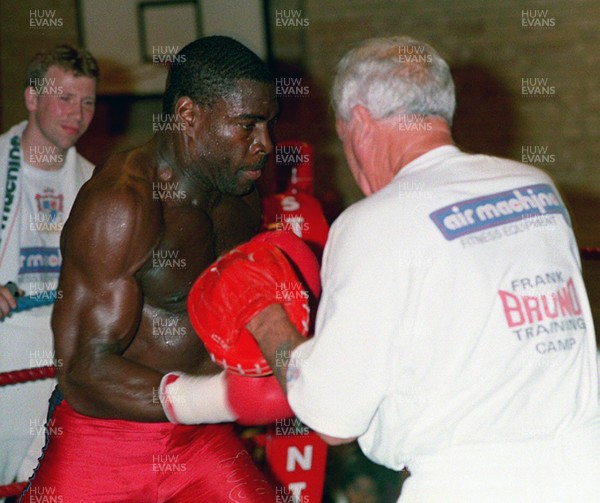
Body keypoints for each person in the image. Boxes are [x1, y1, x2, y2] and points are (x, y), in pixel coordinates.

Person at [207, 36, 600, 501]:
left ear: (361, 122)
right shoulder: (535, 190)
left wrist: (264, 313)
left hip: (469, 486)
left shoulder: (373, 225)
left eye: (344, 137)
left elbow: (331, 417)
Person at [21, 36, 285, 502]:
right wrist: (222, 397)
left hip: (198, 438)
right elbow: (82, 368)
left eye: (267, 124)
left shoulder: (241, 198)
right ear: (188, 116)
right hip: (103, 439)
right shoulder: (122, 202)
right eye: (247, 125)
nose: (265, 144)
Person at [0, 44, 97, 488]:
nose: (76, 113)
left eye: (88, 101)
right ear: (32, 98)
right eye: (64, 98)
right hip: (5, 347)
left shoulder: (97, 183)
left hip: (64, 355)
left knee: (48, 488)